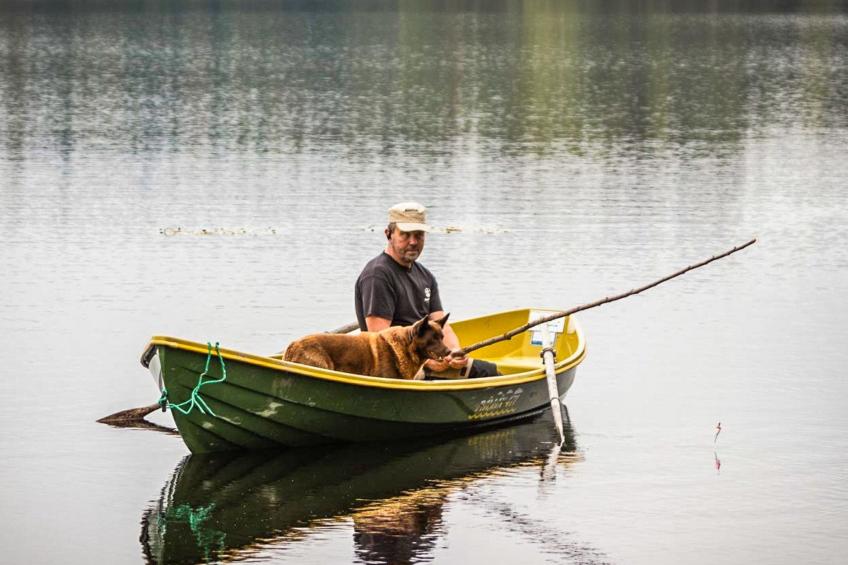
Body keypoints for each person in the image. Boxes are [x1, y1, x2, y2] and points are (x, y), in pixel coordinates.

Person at [354, 202, 499, 378]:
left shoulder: (425, 276)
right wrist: (429, 361)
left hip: (428, 355)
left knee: (488, 370)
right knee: (485, 373)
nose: (413, 242)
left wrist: (454, 352)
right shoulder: (378, 275)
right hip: (395, 366)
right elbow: (379, 339)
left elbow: (440, 324)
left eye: (419, 235)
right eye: (405, 235)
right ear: (388, 234)